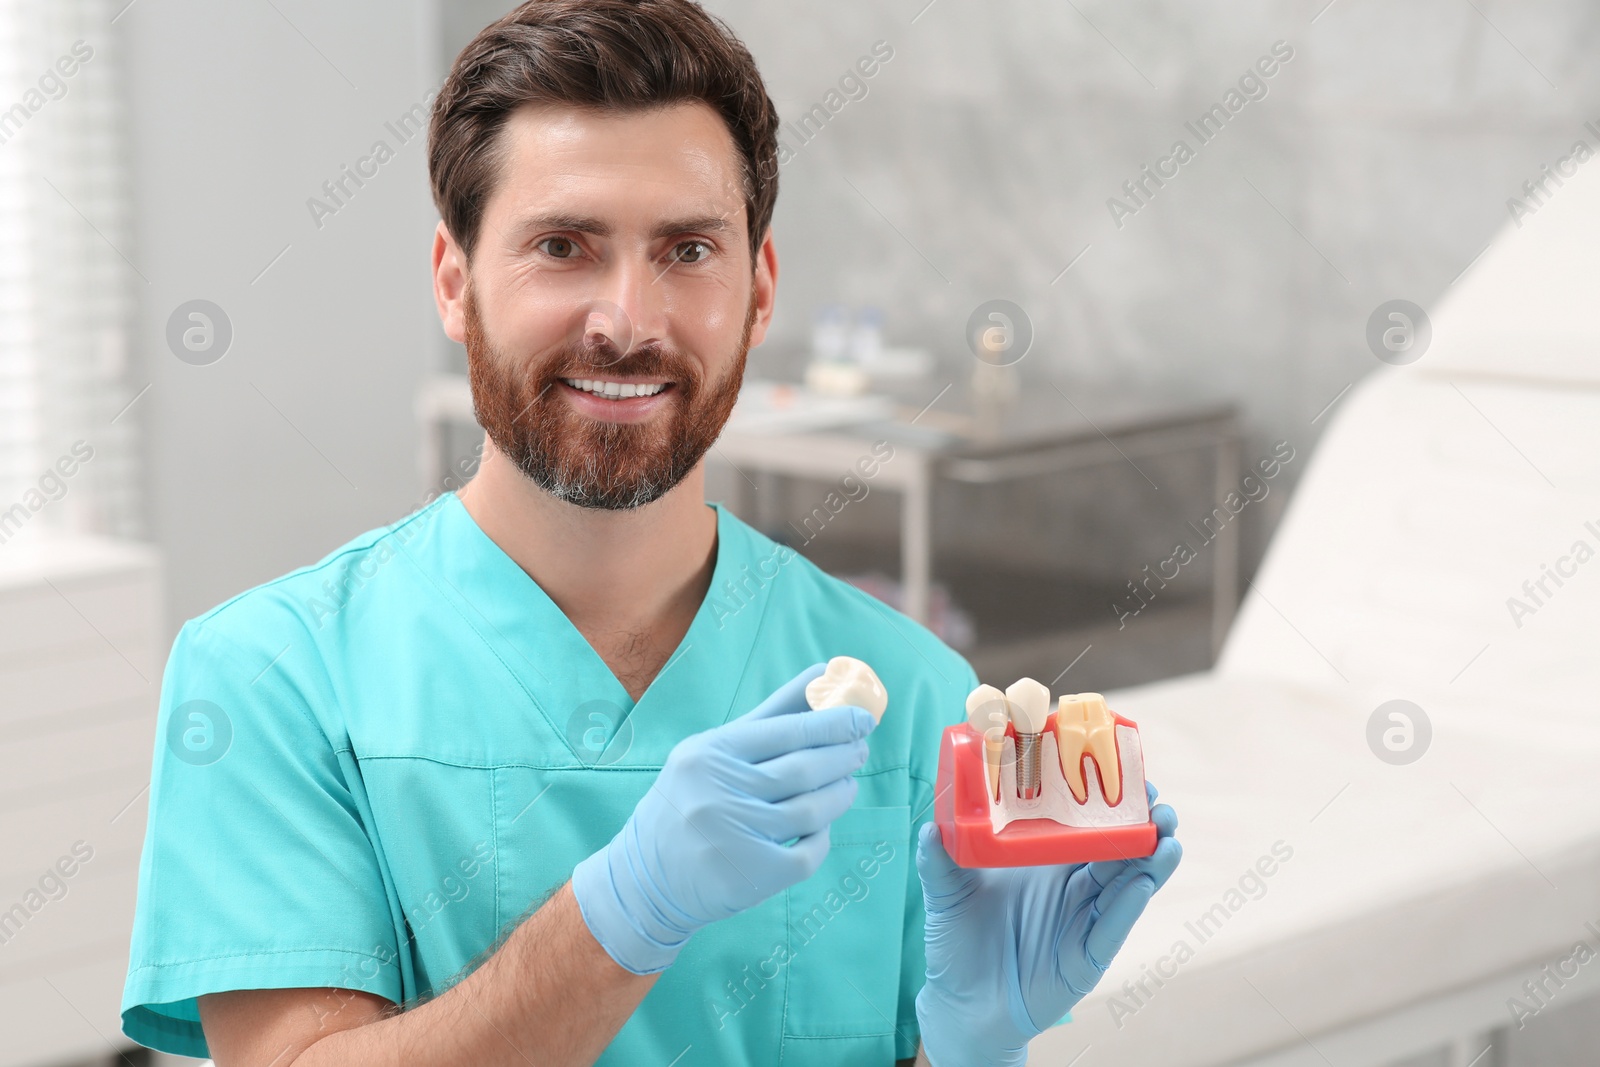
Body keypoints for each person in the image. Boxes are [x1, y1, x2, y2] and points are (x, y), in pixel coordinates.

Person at [120, 2, 1180, 1064]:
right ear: (455, 282)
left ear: (759, 291)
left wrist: (968, 1052)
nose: (626, 320)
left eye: (685, 249)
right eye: (561, 246)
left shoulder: (910, 694)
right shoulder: (271, 680)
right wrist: (623, 911)